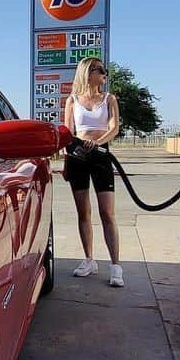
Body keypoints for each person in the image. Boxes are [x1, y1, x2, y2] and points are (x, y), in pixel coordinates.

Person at [63, 57, 123, 287]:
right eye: (101, 70)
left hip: (100, 156)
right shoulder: (72, 101)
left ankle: (116, 267)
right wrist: (67, 161)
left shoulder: (109, 99)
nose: (105, 74)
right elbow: (67, 133)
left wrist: (99, 144)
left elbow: (114, 128)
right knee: (83, 212)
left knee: (107, 213)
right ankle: (89, 260)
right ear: (88, 73)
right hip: (78, 157)